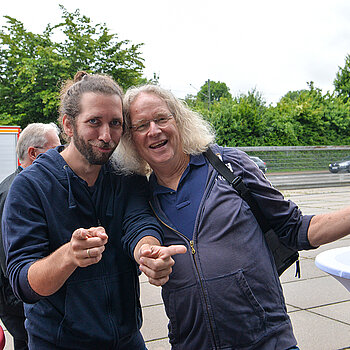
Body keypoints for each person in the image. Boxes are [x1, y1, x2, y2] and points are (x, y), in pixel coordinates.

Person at [114, 84, 350, 350]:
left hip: (267, 341)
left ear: (179, 120)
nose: (154, 130)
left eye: (161, 118)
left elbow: (295, 228)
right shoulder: (141, 196)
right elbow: (137, 238)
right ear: (131, 138)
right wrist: (148, 258)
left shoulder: (229, 165)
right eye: (142, 125)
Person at [2, 72, 185, 350]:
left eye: (115, 123)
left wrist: (148, 251)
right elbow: (23, 283)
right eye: (94, 122)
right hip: (58, 343)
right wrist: (69, 255)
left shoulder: (126, 174)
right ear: (69, 125)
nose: (106, 135)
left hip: (127, 339)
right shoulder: (30, 186)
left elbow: (138, 222)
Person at [0, 122, 61, 350]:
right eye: (56, 150)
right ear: (33, 154)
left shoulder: (28, 184)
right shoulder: (16, 192)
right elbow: (10, 259)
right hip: (20, 302)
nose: (62, 156)